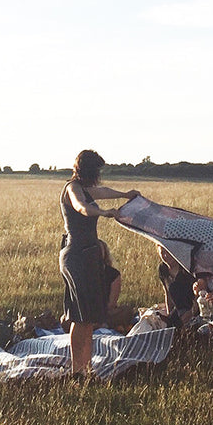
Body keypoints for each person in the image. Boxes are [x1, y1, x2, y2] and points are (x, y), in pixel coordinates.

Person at [59, 150, 139, 378]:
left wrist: (125, 194)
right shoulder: (72, 188)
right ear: (89, 171)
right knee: (79, 316)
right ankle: (78, 371)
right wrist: (103, 212)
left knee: (88, 318)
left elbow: (101, 192)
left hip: (88, 255)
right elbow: (81, 206)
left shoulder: (86, 188)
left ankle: (86, 369)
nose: (99, 177)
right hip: (76, 256)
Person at [157, 245, 196, 326]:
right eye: (162, 253)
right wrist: (169, 313)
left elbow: (198, 293)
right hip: (178, 309)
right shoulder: (162, 269)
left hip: (193, 308)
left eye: (168, 252)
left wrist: (191, 312)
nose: (166, 256)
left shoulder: (186, 267)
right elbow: (167, 293)